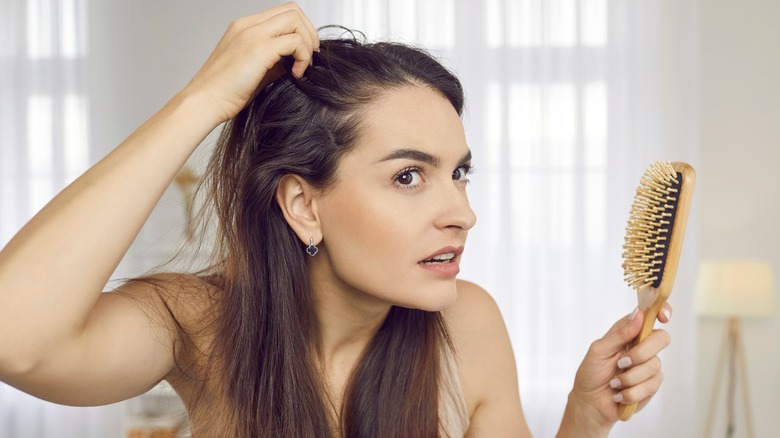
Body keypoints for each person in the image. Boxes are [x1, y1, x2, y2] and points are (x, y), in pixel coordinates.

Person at [0, 3, 672, 437]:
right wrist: (201, 101)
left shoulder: (467, 325)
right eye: (408, 176)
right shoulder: (199, 324)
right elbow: (15, 337)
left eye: (458, 172)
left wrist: (585, 418)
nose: (462, 214)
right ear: (303, 205)